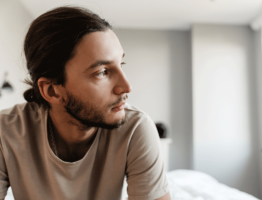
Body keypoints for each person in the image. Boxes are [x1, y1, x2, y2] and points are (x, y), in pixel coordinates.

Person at [0, 6, 171, 200]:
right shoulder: (5, 131)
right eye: (102, 72)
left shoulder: (135, 128)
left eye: (120, 64)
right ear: (52, 90)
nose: (126, 87)